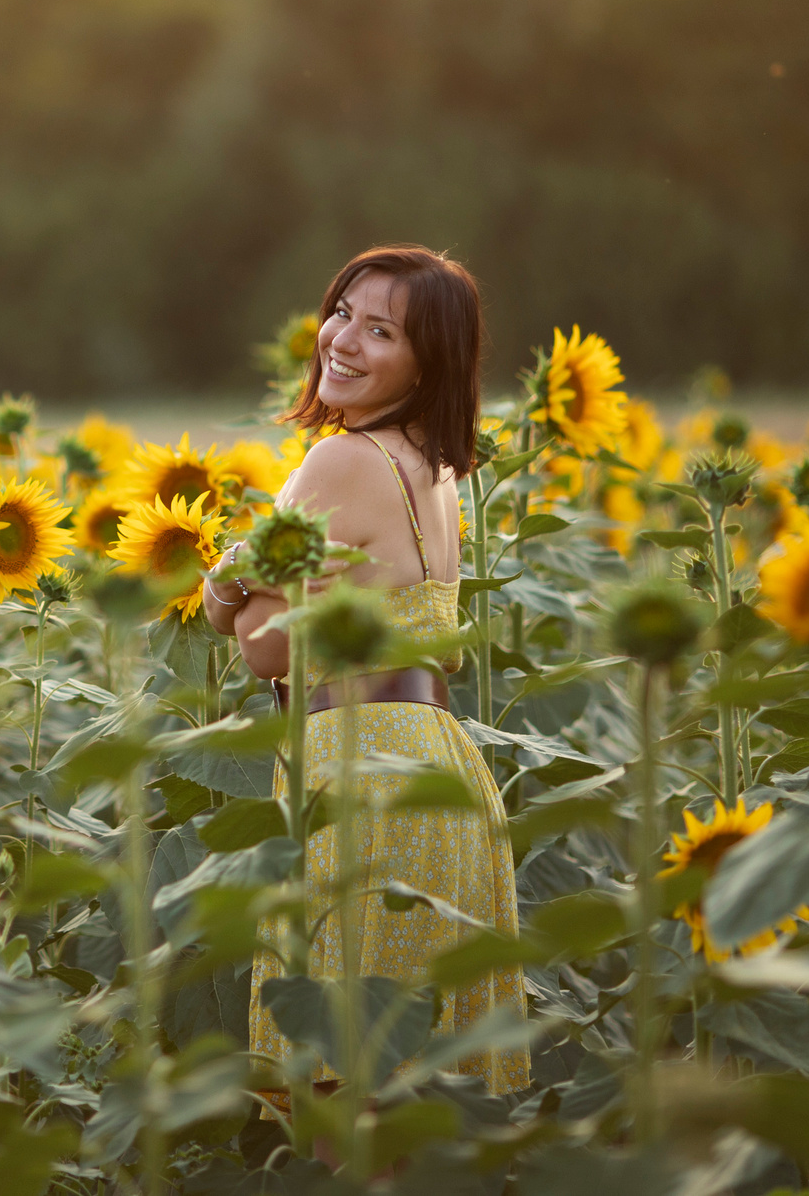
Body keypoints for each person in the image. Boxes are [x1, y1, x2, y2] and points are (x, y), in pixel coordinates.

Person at [202, 244, 527, 1101]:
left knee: (345, 1081)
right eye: (343, 311)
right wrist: (251, 579)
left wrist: (226, 575)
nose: (342, 339)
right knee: (423, 1087)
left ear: (429, 364)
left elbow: (265, 647)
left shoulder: (343, 461)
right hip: (439, 769)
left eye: (381, 330)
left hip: (357, 776)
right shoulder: (437, 470)